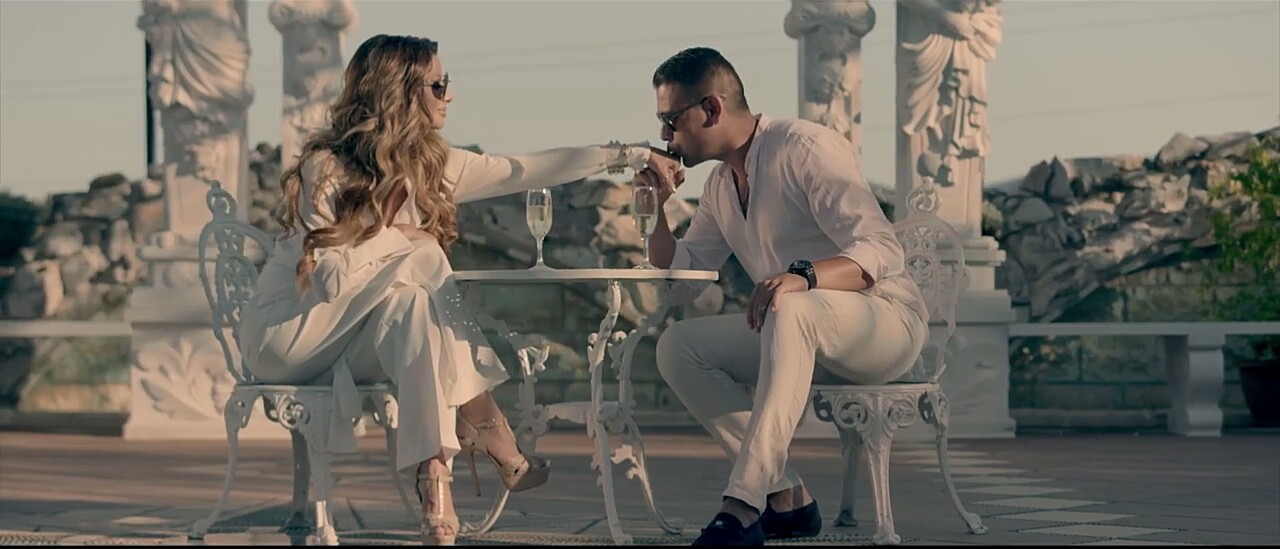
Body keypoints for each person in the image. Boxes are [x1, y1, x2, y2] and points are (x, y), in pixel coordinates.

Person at [237, 34, 678, 545]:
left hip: (351, 343)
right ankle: (487, 422)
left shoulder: (432, 165)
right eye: (438, 84)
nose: (450, 95)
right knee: (424, 255)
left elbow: (529, 168)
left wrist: (631, 155)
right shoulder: (328, 168)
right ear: (399, 91)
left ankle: (435, 484)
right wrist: (403, 237)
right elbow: (331, 283)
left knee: (412, 306)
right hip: (287, 336)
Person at [632, 47, 931, 545]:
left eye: (671, 120)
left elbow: (882, 250)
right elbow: (681, 282)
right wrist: (656, 210)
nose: (665, 137)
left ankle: (742, 503)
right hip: (798, 333)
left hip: (884, 325)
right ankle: (785, 495)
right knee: (678, 347)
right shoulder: (721, 186)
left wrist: (803, 275)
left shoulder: (804, 147)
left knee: (789, 305)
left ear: (711, 108)